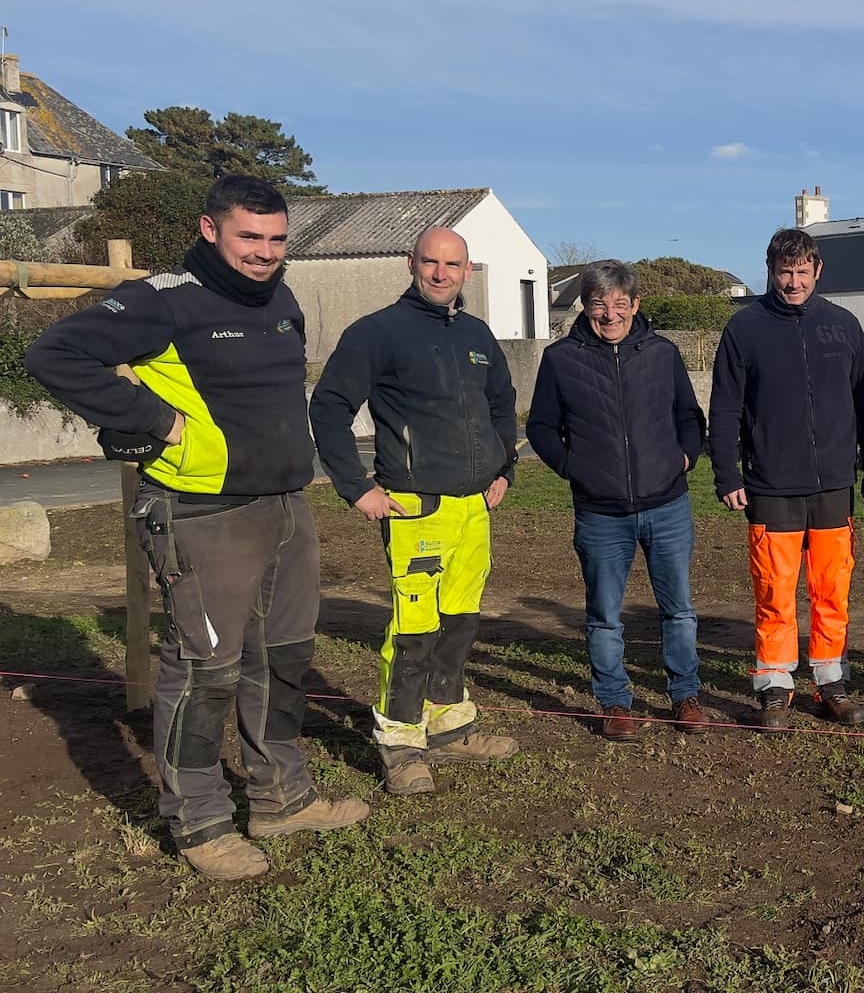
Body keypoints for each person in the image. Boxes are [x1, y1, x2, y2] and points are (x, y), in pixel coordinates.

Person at [25, 175, 368, 880]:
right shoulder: (162, 298)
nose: (265, 253)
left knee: (283, 659)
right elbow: (53, 356)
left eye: (277, 240)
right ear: (211, 229)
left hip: (283, 506)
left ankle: (281, 796)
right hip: (202, 516)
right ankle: (201, 822)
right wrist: (156, 422)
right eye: (250, 237)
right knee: (205, 670)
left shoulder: (282, 297)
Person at [309, 226, 521, 796]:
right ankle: (400, 741)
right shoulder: (379, 332)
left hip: (474, 507)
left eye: (452, 265)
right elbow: (328, 405)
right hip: (415, 510)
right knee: (415, 628)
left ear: (467, 271)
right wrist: (354, 486)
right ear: (411, 263)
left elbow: (501, 405)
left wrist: (504, 469)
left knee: (460, 621)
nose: (440, 273)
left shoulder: (477, 334)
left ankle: (448, 723)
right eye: (430, 262)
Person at [709, 228, 864, 729]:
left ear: (818, 270)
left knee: (832, 588)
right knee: (775, 589)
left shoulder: (844, 326)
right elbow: (724, 407)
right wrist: (727, 472)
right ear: (771, 270)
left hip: (834, 483)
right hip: (770, 485)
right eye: (784, 273)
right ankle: (774, 683)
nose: (793, 282)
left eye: (802, 272)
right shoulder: (745, 328)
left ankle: (831, 681)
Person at [525, 260, 708, 739]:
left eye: (620, 304)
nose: (610, 314)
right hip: (601, 514)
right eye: (599, 304)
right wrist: (574, 468)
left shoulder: (662, 353)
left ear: (636, 304)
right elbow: (540, 428)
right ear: (585, 306)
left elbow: (690, 416)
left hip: (667, 506)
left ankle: (685, 695)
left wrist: (684, 457)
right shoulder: (561, 359)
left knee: (680, 610)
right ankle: (615, 702)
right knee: (605, 616)